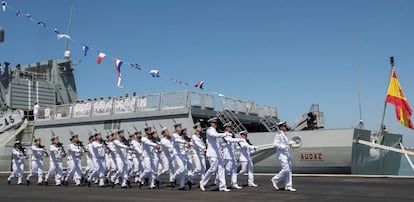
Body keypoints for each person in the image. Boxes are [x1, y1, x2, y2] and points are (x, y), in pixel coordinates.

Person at [200, 117, 230, 192]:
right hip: (212, 153)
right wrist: (224, 134)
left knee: (221, 169)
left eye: (216, 123)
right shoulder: (209, 130)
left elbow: (218, 140)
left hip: (217, 153)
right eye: (214, 123)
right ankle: (203, 182)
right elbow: (214, 135)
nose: (215, 124)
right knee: (213, 169)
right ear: (211, 123)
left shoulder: (215, 131)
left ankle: (222, 186)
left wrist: (222, 147)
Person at [271, 121, 296, 192]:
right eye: (284, 126)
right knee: (286, 169)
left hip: (287, 154)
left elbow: (285, 144)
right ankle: (275, 179)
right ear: (281, 127)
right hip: (282, 155)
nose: (286, 127)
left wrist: (289, 145)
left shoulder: (284, 134)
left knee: (289, 171)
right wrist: (283, 146)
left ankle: (288, 186)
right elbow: (275, 144)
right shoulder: (278, 134)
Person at [222, 122, 244, 189]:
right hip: (227, 155)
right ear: (226, 128)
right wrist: (240, 139)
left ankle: (234, 183)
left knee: (234, 169)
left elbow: (235, 146)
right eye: (229, 127)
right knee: (227, 169)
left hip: (232, 155)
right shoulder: (225, 135)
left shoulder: (232, 135)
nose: (230, 128)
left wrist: (241, 148)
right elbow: (230, 140)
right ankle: (220, 180)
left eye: (231, 127)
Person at [171, 123, 191, 190]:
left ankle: (182, 186)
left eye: (180, 127)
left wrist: (188, 144)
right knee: (181, 168)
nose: (180, 129)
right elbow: (177, 141)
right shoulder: (174, 135)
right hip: (177, 154)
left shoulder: (181, 136)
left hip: (183, 154)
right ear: (176, 128)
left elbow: (183, 144)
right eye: (179, 127)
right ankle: (173, 178)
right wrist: (184, 142)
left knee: (184, 171)